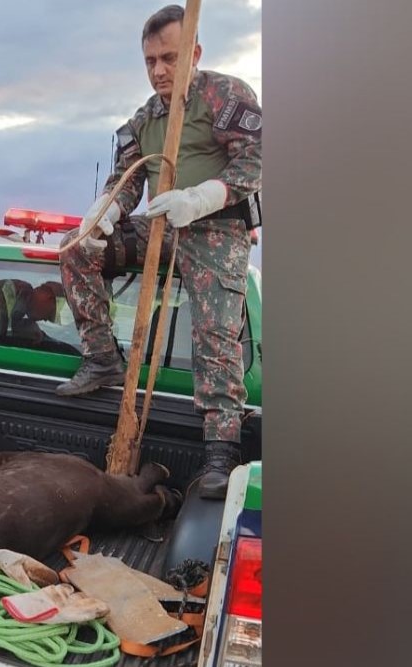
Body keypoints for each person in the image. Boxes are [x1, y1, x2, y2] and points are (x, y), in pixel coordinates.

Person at [56, 4, 261, 500]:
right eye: (149, 61)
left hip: (215, 230)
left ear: (195, 52)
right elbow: (125, 179)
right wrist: (104, 212)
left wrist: (202, 197)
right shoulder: (145, 119)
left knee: (214, 326)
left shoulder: (225, 96)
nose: (158, 71)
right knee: (76, 249)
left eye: (169, 58)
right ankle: (103, 358)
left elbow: (258, 157)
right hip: (163, 228)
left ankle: (220, 449)